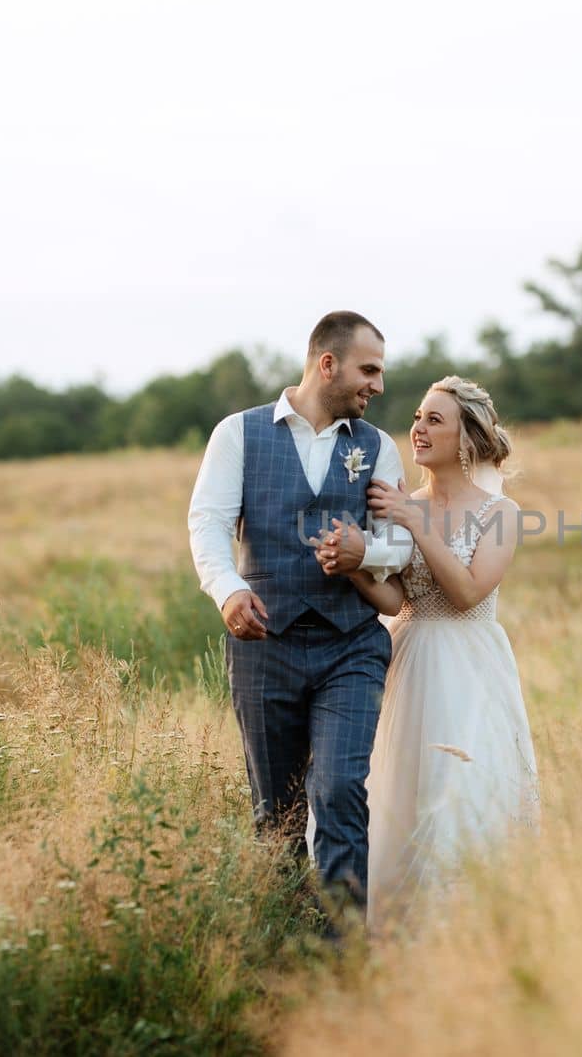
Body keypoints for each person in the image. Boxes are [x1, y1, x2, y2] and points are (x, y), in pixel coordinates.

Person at [186, 310, 412, 926]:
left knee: (339, 792)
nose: (379, 386)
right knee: (276, 812)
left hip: (351, 646)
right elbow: (206, 522)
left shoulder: (377, 448)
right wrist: (228, 591)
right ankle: (284, 951)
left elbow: (401, 546)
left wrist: (367, 552)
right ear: (327, 364)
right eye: (369, 370)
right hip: (265, 646)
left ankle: (341, 952)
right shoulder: (238, 433)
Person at [314, 375, 539, 929]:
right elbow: (395, 599)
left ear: (468, 438)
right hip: (408, 658)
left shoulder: (500, 513)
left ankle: (466, 932)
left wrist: (417, 523)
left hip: (469, 667)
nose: (417, 427)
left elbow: (466, 593)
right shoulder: (401, 503)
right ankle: (391, 939)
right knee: (397, 796)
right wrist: (353, 569)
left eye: (434, 419)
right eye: (417, 416)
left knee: (459, 796)